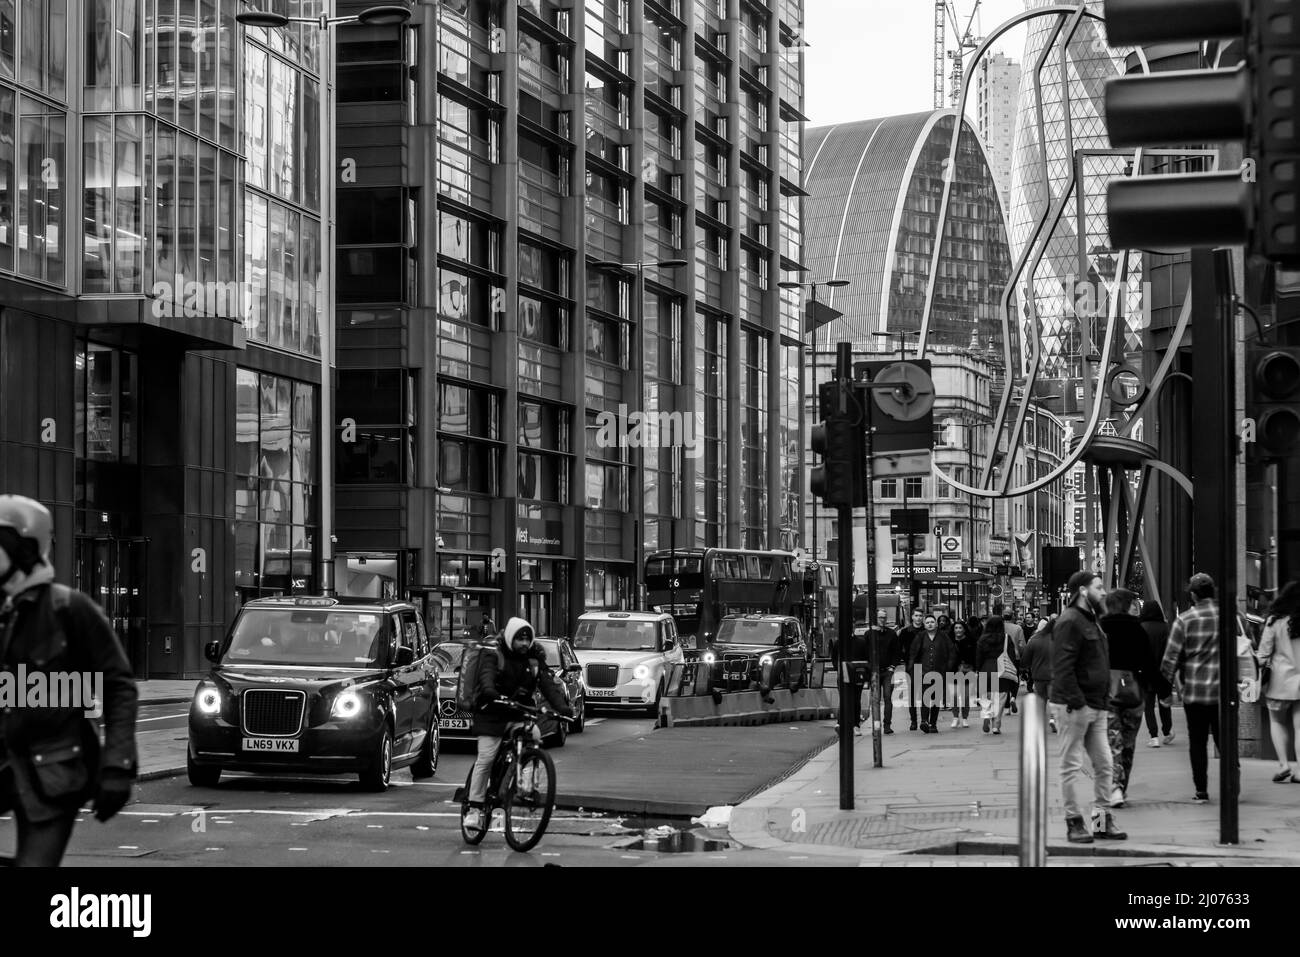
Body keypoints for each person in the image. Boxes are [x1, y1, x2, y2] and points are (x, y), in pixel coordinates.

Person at [0, 495, 138, 866]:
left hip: (53, 770)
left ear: (25, 549)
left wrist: (117, 766)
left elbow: (119, 685)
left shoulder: (69, 610)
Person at [463, 617, 573, 832]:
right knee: (486, 758)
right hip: (491, 714)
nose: (524, 644)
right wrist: (492, 693)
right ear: (510, 638)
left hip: (518, 712)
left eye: (527, 639)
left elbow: (548, 685)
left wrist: (563, 709)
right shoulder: (494, 654)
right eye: (519, 639)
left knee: (535, 735)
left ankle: (526, 784)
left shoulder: (533, 659)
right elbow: (486, 679)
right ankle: (474, 810)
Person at [1052, 570, 1126, 843]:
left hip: (1096, 705)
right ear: (1083, 591)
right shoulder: (1070, 621)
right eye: (1098, 587)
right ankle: (1074, 823)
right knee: (1070, 766)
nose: (1104, 591)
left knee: (1105, 764)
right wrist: (1077, 701)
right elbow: (1062, 667)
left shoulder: (1091, 620)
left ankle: (1101, 822)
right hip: (1076, 706)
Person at [1160, 573, 1225, 804]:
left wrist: (1165, 691)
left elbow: (1170, 659)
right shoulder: (1230, 617)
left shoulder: (1184, 620)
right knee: (1225, 740)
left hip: (1195, 693)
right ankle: (1231, 785)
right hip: (1223, 692)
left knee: (1197, 742)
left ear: (1194, 595)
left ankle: (1201, 790)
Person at [1099, 588, 1155, 807]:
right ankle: (1121, 787)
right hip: (1134, 694)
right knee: (1128, 744)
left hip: (1108, 695)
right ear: (1124, 605)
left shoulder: (1101, 628)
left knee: (1113, 741)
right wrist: (1164, 690)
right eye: (1132, 603)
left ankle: (1114, 788)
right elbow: (1149, 663)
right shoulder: (1138, 630)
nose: (1135, 607)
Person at [1257, 581, 1300, 783]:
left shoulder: (1274, 621)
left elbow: (1263, 654)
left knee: (1277, 721)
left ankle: (1284, 765)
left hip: (1280, 681)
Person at [911, 613, 957, 733]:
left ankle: (933, 724)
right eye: (927, 622)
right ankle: (924, 721)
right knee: (925, 697)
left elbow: (952, 652)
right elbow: (914, 653)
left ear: (936, 624)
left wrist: (948, 667)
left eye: (932, 622)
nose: (930, 624)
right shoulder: (920, 636)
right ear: (924, 625)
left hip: (940, 672)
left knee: (936, 699)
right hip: (924, 672)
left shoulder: (943, 636)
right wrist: (913, 669)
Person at [1139, 601, 1175, 747]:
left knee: (1148, 706)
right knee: (1164, 703)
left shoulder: (1141, 627)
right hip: (1163, 672)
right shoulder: (1165, 628)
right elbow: (1170, 650)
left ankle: (1153, 737)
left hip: (1146, 672)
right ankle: (1167, 732)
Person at [977, 616, 1017, 734]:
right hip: (1001, 670)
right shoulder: (1006, 638)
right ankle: (996, 725)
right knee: (1000, 698)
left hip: (986, 668)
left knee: (986, 696)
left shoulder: (982, 639)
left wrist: (978, 669)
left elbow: (978, 657)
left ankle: (986, 715)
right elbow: (1011, 656)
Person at [1020, 617, 1056, 732]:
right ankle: (1052, 719)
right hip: (1054, 675)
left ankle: (1039, 722)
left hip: (1038, 675)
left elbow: (1025, 660)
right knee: (1053, 699)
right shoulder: (1057, 640)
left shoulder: (1034, 640)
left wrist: (1025, 667)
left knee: (1041, 700)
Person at [870, 609, 901, 735]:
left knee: (888, 697)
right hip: (874, 672)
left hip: (888, 671)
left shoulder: (891, 634)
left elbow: (896, 651)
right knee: (875, 699)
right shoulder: (869, 634)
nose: (882, 620)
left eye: (884, 617)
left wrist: (893, 666)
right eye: (880, 617)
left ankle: (887, 725)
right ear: (876, 618)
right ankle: (876, 725)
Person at [994, 604, 1026, 714]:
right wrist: (1022, 655)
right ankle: (1013, 697)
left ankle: (1006, 706)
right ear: (1013, 616)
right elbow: (1022, 645)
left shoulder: (998, 628)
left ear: (1002, 616)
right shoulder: (1018, 628)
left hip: (1001, 656)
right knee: (1014, 678)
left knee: (1004, 679)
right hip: (1015, 657)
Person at [898, 609, 926, 731]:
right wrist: (906, 659)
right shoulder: (905, 632)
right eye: (916, 615)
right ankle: (914, 721)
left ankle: (925, 719)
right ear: (912, 617)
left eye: (920, 616)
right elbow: (899, 648)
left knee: (926, 693)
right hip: (912, 665)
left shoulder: (927, 630)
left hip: (926, 665)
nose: (918, 618)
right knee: (913, 694)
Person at [949, 619, 977, 728]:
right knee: (954, 695)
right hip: (952, 671)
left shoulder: (971, 641)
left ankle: (965, 718)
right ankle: (955, 717)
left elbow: (975, 656)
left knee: (965, 696)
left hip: (968, 671)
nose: (958, 630)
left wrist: (976, 670)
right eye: (956, 628)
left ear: (964, 629)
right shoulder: (949, 641)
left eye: (960, 628)